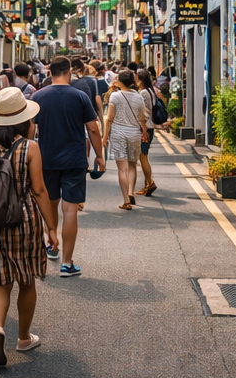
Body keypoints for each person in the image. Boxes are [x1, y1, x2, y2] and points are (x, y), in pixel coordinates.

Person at [0, 88, 62, 366]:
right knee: (26, 280)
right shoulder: (30, 148)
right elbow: (38, 190)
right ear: (24, 120)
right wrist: (51, 227)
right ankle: (23, 338)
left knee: (1, 281)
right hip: (24, 220)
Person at [31, 55, 105, 277]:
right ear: (69, 71)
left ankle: (51, 245)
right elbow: (93, 129)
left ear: (50, 72)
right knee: (70, 209)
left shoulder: (38, 96)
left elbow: (29, 131)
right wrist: (99, 156)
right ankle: (67, 263)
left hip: (46, 160)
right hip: (74, 160)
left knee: (50, 205)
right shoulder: (80, 96)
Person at [103, 69, 151, 210]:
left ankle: (126, 200)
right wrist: (144, 131)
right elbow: (142, 118)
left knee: (122, 169)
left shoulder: (115, 96)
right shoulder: (138, 97)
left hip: (118, 133)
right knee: (132, 165)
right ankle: (131, 192)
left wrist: (105, 137)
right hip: (134, 134)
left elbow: (109, 118)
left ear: (120, 81)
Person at [134, 67, 160, 196]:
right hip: (150, 127)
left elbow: (142, 111)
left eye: (136, 77)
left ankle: (150, 183)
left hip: (144, 127)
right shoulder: (151, 90)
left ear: (140, 79)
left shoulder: (143, 93)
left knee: (142, 156)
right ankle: (146, 185)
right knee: (144, 156)